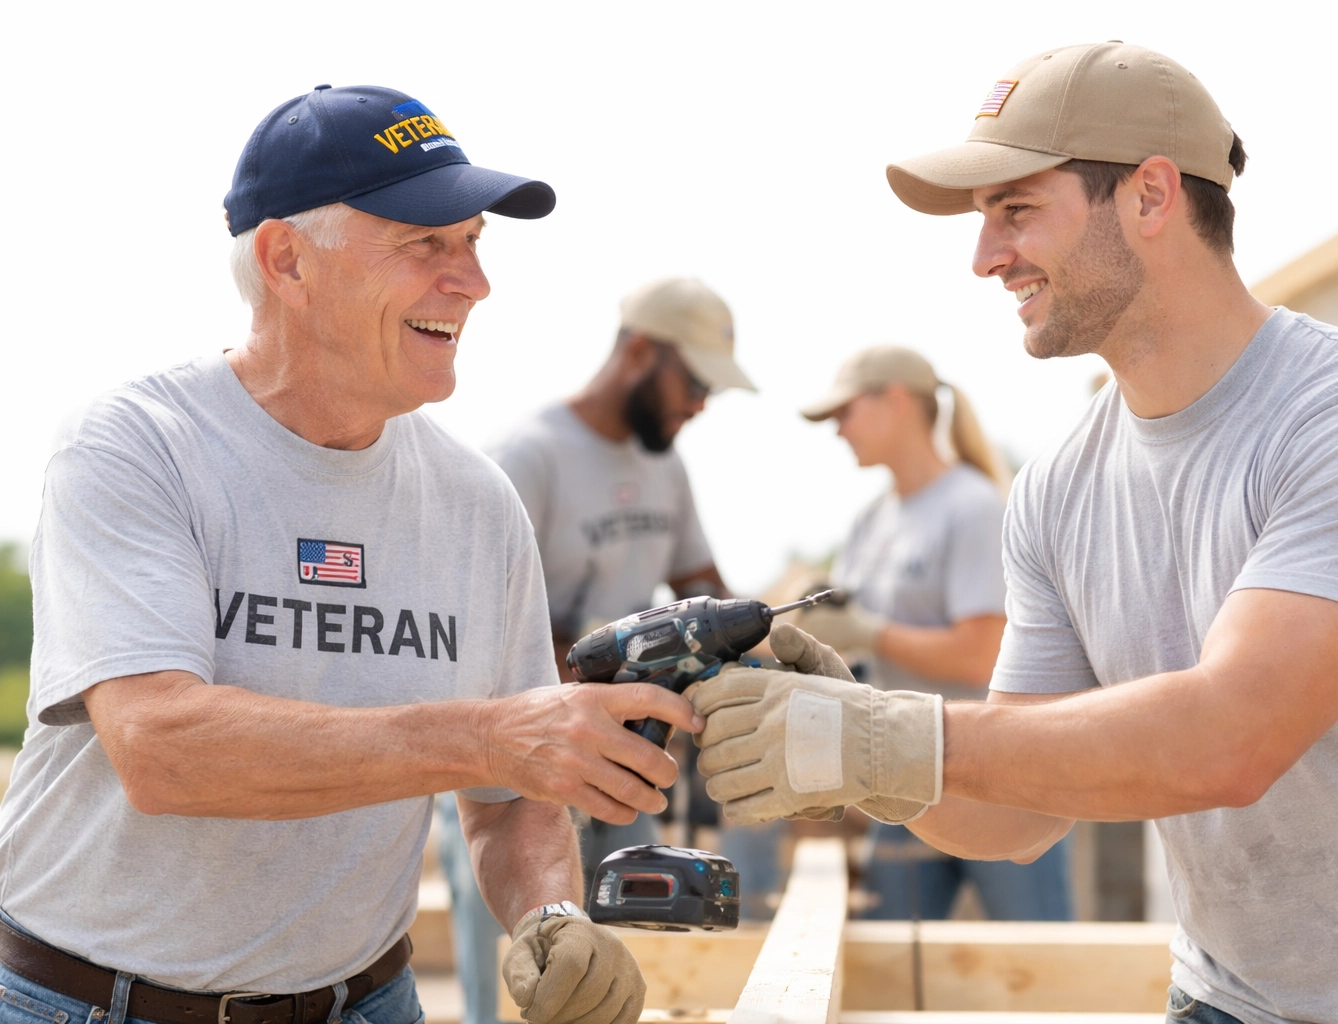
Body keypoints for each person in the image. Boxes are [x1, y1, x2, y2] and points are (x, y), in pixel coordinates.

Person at [689, 42, 1338, 1024]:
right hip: (1227, 999)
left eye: (1016, 211)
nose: (984, 257)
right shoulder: (1059, 488)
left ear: (1149, 196)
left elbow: (1234, 737)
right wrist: (850, 746)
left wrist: (888, 734)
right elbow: (1013, 814)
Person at [2, 84, 702, 1024]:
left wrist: (552, 916)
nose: (473, 282)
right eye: (425, 244)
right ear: (286, 259)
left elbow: (510, 800)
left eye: (474, 243)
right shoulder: (136, 446)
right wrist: (485, 734)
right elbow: (162, 749)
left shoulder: (477, 504)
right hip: (89, 1001)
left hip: (366, 999)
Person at [436, 277, 752, 1024]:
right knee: (520, 984)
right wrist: (613, 668)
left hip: (621, 765)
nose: (700, 404)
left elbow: (704, 587)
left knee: (610, 981)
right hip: (510, 776)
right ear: (640, 350)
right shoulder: (528, 457)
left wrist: (758, 648)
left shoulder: (663, 466)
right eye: (695, 381)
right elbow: (476, 632)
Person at [795, 345, 1071, 921]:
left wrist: (869, 630)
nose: (838, 430)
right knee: (892, 978)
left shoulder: (971, 508)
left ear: (895, 400)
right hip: (906, 779)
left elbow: (981, 655)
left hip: (997, 783)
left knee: (1034, 965)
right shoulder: (871, 520)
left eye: (845, 412)